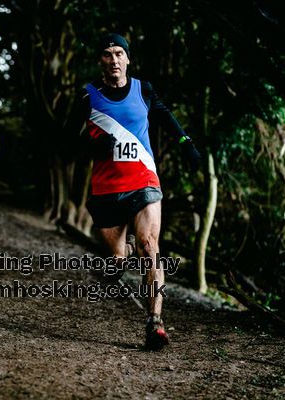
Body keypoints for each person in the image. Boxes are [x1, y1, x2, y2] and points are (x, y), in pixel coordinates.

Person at [65, 33, 201, 350]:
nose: (114, 60)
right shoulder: (87, 97)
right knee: (117, 258)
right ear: (101, 61)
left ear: (128, 59)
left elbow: (167, 118)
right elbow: (65, 142)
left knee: (149, 245)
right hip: (106, 189)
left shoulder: (144, 90)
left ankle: (155, 322)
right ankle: (120, 256)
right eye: (107, 54)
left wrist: (187, 145)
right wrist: (92, 144)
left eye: (119, 53)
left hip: (144, 182)